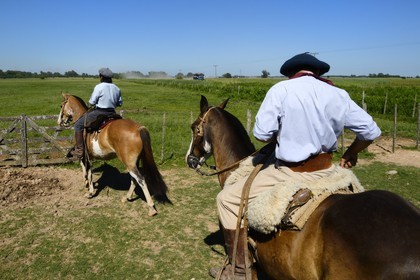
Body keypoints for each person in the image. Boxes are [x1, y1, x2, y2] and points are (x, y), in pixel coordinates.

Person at [210, 52, 381, 279]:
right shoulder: (338, 93)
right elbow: (371, 131)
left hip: (290, 172)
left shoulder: (281, 90)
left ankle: (239, 270)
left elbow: (262, 133)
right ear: (318, 72)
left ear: (291, 73)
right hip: (327, 170)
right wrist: (351, 152)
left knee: (226, 200)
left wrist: (286, 132)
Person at [69, 67, 122, 159]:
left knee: (78, 125)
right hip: (113, 113)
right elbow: (119, 103)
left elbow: (92, 102)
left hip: (99, 112)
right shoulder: (117, 88)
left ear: (101, 77)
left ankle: (80, 150)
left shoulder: (99, 87)